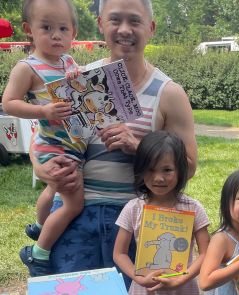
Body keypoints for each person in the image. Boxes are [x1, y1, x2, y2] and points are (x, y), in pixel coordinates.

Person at [29, 0, 197, 287]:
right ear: (100, 25)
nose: (124, 30)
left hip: (136, 219)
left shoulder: (170, 94)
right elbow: (43, 136)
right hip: (74, 215)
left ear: (151, 28)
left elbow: (189, 167)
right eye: (115, 20)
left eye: (135, 21)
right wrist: (41, 169)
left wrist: (140, 148)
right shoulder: (77, 79)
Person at [2, 0, 86, 277]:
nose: (56, 35)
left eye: (63, 28)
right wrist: (43, 110)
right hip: (52, 144)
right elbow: (9, 103)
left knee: (52, 190)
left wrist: (77, 75)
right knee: (73, 203)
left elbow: (83, 88)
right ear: (28, 29)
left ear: (73, 32)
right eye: (46, 27)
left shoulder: (69, 61)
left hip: (71, 143)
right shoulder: (27, 67)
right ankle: (39, 252)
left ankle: (40, 225)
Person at [114, 131, 209, 294]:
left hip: (182, 289)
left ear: (180, 170)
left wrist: (181, 280)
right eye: (150, 169)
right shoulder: (133, 208)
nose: (158, 178)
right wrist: (139, 278)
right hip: (143, 289)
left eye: (167, 170)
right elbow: (119, 253)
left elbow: (206, 254)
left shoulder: (193, 208)